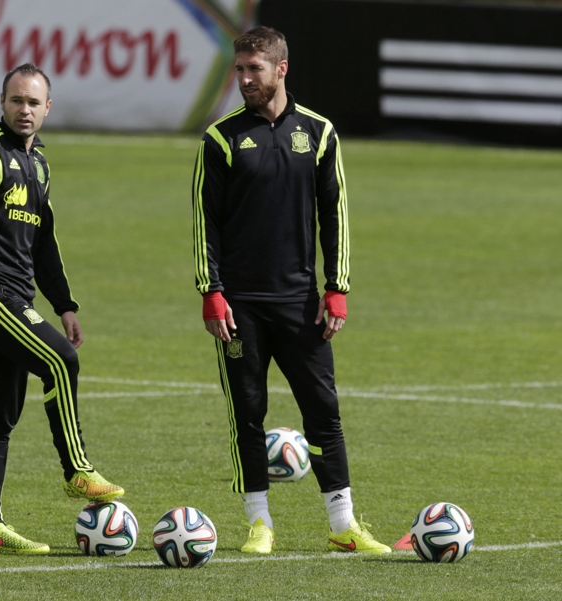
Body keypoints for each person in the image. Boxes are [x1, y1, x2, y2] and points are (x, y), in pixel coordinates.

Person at [192, 27, 391, 555]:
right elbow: (203, 224)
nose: (244, 79)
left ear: (281, 69)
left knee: (323, 411)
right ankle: (259, 523)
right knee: (247, 410)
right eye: (239, 69)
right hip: (240, 305)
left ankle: (343, 522)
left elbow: (336, 214)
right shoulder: (220, 139)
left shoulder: (320, 134)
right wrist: (211, 291)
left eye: (254, 69)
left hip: (302, 303)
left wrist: (337, 287)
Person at [0, 62, 124, 554]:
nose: (23, 110)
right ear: (0, 102)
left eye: (33, 102)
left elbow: (44, 243)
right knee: (60, 360)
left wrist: (65, 304)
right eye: (15, 101)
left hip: (16, 295)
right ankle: (77, 470)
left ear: (48, 108)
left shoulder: (40, 164)